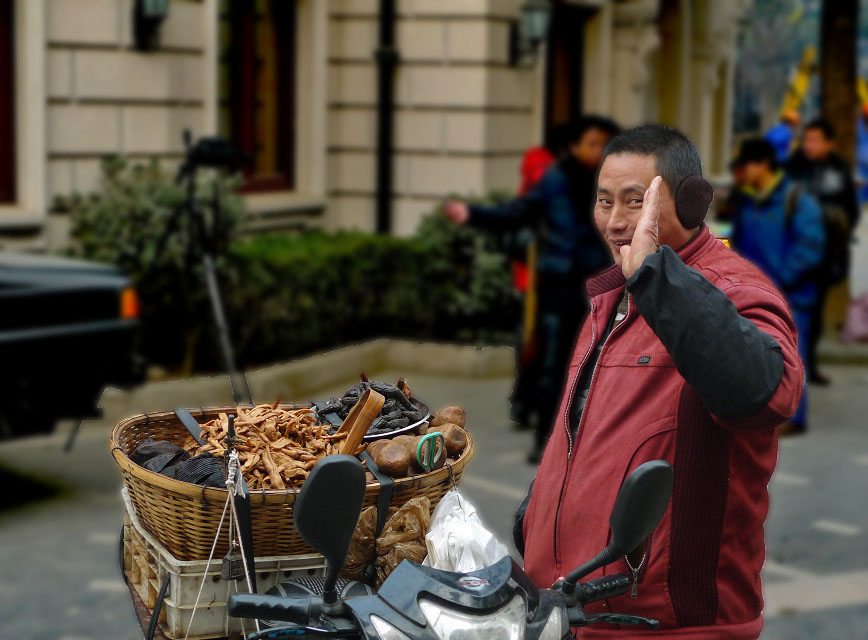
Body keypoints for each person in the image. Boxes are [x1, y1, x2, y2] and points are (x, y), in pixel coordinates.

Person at [514, 125, 803, 639]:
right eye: (605, 202)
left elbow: (767, 393)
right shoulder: (613, 297)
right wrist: (536, 515)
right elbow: (588, 429)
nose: (618, 222)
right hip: (573, 611)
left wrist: (657, 277)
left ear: (693, 204)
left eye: (635, 203)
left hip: (667, 624)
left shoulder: (733, 290)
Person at [443, 115, 620, 462]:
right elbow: (519, 211)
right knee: (555, 359)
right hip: (559, 283)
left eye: (604, 143)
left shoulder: (610, 180)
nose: (599, 150)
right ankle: (547, 439)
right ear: (575, 145)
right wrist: (472, 215)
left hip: (599, 282)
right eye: (592, 143)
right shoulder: (554, 179)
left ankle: (584, 433)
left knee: (594, 358)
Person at [729, 138, 824, 434]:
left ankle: (794, 418)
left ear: (764, 165)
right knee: (758, 354)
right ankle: (764, 411)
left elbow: (810, 246)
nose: (742, 173)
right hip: (755, 292)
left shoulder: (797, 200)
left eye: (746, 166)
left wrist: (780, 279)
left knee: (794, 355)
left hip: (791, 294)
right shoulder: (746, 200)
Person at [787, 118, 860, 385]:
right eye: (807, 139)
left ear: (829, 143)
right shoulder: (793, 166)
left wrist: (832, 222)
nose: (809, 145)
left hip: (826, 253)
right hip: (793, 251)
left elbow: (850, 211)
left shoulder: (839, 170)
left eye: (815, 140)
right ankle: (786, 366)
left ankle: (808, 366)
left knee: (814, 313)